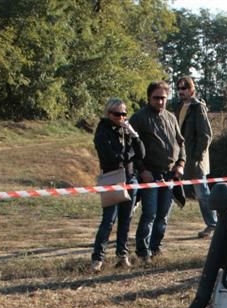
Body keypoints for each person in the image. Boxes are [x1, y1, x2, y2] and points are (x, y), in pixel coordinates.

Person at [129, 81, 185, 264]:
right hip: (150, 174)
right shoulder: (139, 118)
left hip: (169, 175)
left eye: (163, 98)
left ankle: (155, 247)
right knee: (150, 214)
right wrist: (142, 170)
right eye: (156, 98)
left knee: (163, 216)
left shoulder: (171, 117)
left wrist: (181, 164)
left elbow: (181, 143)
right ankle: (143, 251)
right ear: (149, 97)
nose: (160, 102)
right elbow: (131, 148)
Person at [91, 98, 144, 271]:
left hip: (130, 178)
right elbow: (111, 158)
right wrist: (130, 154)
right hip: (112, 178)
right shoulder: (102, 131)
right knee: (109, 220)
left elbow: (141, 153)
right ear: (108, 113)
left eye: (123, 114)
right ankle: (97, 258)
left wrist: (134, 135)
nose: (121, 117)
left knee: (126, 220)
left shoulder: (126, 131)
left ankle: (122, 255)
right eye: (116, 114)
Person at [173, 76, 216, 238]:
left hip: (195, 159)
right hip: (179, 158)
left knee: (202, 193)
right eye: (179, 88)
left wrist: (197, 156)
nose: (181, 91)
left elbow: (206, 135)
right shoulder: (178, 106)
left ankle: (213, 224)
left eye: (184, 88)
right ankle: (157, 229)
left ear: (192, 90)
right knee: (171, 191)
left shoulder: (198, 108)